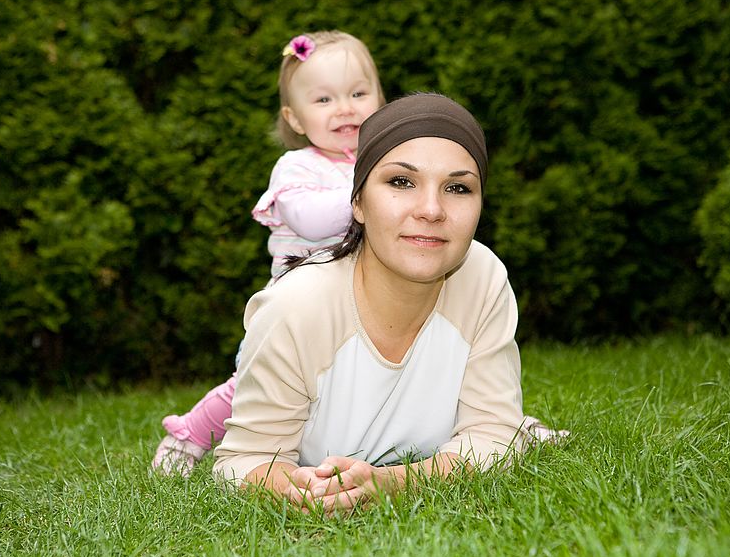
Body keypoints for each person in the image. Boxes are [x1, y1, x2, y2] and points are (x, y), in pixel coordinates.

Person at [212, 93, 568, 514]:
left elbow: (491, 435)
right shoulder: (296, 307)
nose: (431, 209)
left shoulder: (482, 277)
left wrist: (389, 483)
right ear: (358, 202)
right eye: (401, 182)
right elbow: (243, 460)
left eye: (458, 188)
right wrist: (294, 488)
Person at [151, 30, 385, 476]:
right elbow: (314, 221)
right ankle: (192, 433)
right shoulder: (298, 167)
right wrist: (372, 192)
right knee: (256, 388)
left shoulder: (386, 161)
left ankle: (498, 423)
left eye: (358, 93)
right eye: (324, 100)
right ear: (294, 119)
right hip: (298, 310)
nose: (345, 108)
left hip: (366, 307)